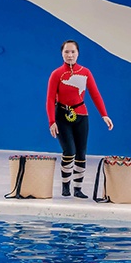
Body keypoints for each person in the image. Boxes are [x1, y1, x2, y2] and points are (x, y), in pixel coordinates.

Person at [46, 39, 113, 198]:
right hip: (62, 116)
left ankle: (77, 188)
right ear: (62, 54)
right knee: (69, 151)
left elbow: (95, 94)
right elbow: (49, 99)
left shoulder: (85, 72)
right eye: (66, 52)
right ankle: (65, 185)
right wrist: (51, 121)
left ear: (78, 53)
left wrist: (104, 114)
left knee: (81, 153)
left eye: (73, 52)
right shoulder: (56, 74)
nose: (69, 55)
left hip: (81, 115)